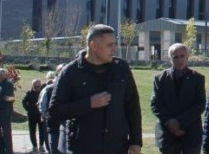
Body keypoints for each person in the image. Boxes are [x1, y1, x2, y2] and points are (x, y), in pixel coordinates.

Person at [49, 24, 143, 154]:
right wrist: (89, 103)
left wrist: (135, 141)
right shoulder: (71, 72)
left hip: (117, 147)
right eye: (109, 45)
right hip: (83, 147)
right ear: (93, 45)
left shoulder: (121, 69)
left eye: (114, 44)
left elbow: (133, 106)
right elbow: (55, 110)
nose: (114, 49)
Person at [151, 43, 206, 154]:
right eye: (175, 57)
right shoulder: (160, 79)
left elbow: (200, 104)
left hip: (190, 133)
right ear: (170, 58)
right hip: (167, 135)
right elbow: (155, 104)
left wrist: (180, 122)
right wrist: (170, 122)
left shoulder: (197, 79)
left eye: (182, 56)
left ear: (187, 57)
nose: (179, 60)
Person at [38, 65, 65, 154]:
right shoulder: (48, 89)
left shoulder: (71, 87)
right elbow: (42, 105)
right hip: (54, 125)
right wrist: (47, 117)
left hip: (66, 126)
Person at [0, 67, 15, 154]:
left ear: (2, 76)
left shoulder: (7, 84)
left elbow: (11, 98)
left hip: (4, 113)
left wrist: (1, 101)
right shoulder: (0, 85)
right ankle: (1, 150)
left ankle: (9, 151)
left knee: (6, 134)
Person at [22, 79, 47, 153]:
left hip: (40, 115)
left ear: (41, 86)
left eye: (38, 86)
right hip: (32, 115)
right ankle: (35, 146)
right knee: (32, 131)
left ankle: (41, 146)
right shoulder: (29, 92)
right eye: (35, 86)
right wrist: (28, 109)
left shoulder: (43, 92)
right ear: (32, 86)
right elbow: (24, 101)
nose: (37, 88)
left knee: (42, 131)